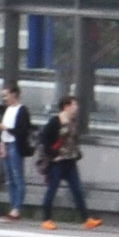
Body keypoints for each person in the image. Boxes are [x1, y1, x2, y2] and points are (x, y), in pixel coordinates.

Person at [39, 94, 102, 229]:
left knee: (77, 190)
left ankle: (86, 219)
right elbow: (44, 137)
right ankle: (46, 219)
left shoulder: (72, 121)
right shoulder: (55, 121)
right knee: (52, 190)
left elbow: (72, 140)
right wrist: (52, 154)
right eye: (74, 105)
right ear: (66, 106)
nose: (76, 107)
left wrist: (76, 153)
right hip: (57, 162)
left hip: (70, 161)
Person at [0, 83, 35, 222]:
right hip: (6, 143)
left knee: (17, 176)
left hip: (15, 145)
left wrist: (6, 129)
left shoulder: (22, 110)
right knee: (10, 179)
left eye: (6, 95)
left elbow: (23, 131)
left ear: (14, 94)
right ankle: (13, 206)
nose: (4, 98)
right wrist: (1, 143)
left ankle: (16, 208)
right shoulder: (7, 110)